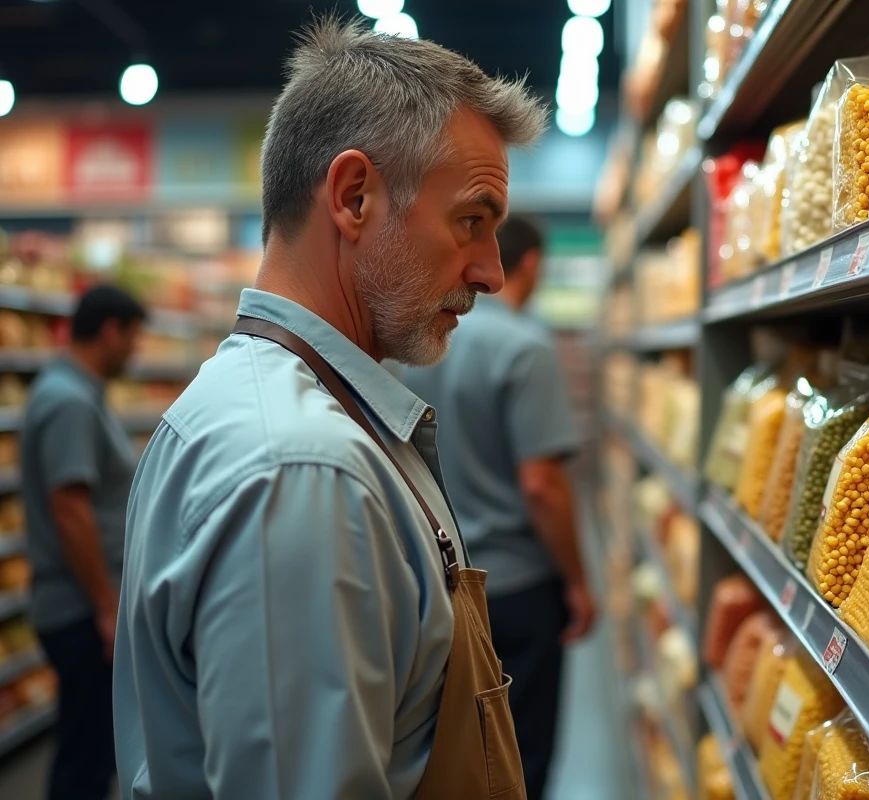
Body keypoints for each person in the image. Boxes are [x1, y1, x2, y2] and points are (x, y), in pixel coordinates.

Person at [113, 18, 546, 800]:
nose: (491, 273)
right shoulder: (301, 469)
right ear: (354, 197)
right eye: (472, 222)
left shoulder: (258, 412)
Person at [402, 215, 595, 800]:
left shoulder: (422, 344)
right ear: (530, 265)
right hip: (516, 587)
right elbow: (541, 485)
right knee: (520, 755)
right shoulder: (526, 347)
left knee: (461, 755)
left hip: (441, 583)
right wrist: (578, 581)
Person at [19, 284, 146, 800]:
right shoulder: (68, 401)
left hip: (85, 607)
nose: (137, 352)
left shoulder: (77, 393)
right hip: (81, 611)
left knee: (90, 750)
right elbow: (70, 511)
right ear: (111, 331)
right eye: (134, 338)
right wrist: (106, 607)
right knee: (84, 759)